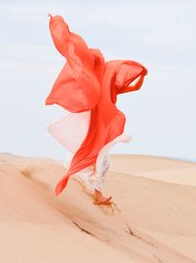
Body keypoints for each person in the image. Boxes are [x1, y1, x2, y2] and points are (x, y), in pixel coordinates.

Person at [45, 14, 147, 205]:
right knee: (98, 158)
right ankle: (96, 192)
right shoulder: (99, 84)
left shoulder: (109, 83)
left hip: (103, 124)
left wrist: (142, 73)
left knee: (102, 160)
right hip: (95, 122)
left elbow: (130, 83)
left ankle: (91, 186)